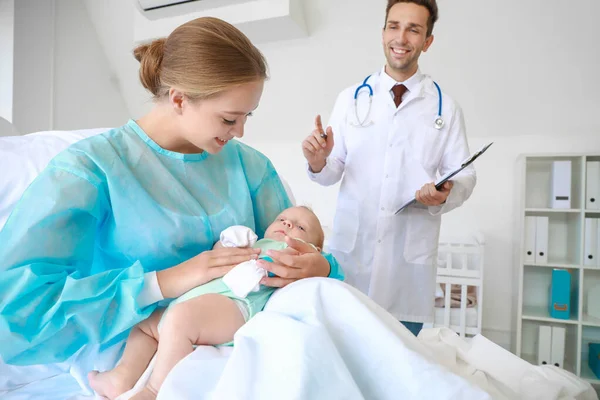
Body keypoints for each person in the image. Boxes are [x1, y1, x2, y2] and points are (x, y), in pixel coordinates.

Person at [0, 17, 343, 369]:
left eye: (247, 116)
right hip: (136, 354)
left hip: (247, 345)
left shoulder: (251, 168)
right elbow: (16, 313)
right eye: (228, 119)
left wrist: (321, 267)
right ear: (179, 99)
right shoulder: (90, 170)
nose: (240, 131)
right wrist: (161, 284)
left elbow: (293, 249)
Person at [302, 0, 476, 336]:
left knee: (396, 365)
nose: (401, 37)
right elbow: (332, 169)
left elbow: (464, 173)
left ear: (427, 41)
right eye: (394, 26)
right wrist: (317, 160)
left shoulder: (446, 107)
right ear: (383, 32)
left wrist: (444, 194)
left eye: (414, 29)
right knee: (344, 354)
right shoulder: (350, 98)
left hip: (406, 268)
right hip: (352, 255)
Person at [88, 206, 338, 399]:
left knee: (181, 320)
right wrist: (227, 241)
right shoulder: (254, 243)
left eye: (300, 227)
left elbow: (334, 274)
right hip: (195, 298)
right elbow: (219, 253)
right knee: (146, 324)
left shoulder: (298, 257)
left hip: (233, 303)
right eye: (282, 219)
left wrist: (321, 264)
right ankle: (122, 376)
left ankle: (155, 390)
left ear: (313, 248)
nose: (287, 223)